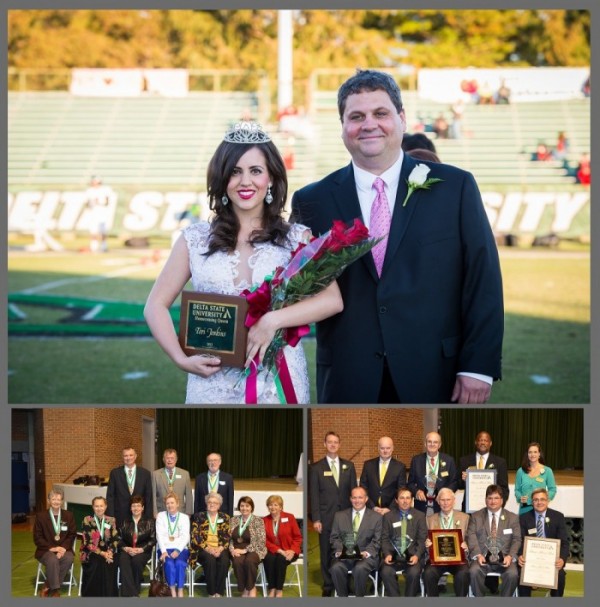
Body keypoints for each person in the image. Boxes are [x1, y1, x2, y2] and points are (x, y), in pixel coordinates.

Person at [291, 69, 503, 404]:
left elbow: (483, 278)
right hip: (349, 378)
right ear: (343, 126)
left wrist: (478, 367)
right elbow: (295, 286)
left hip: (436, 375)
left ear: (402, 119)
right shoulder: (311, 200)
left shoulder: (455, 187)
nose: (369, 124)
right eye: (356, 116)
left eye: (381, 113)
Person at [144, 121, 343, 404]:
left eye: (256, 171)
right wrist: (180, 359)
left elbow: (332, 300)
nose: (245, 181)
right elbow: (155, 305)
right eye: (235, 172)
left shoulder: (297, 238)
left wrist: (273, 320)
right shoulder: (195, 239)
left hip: (279, 381)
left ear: (271, 178)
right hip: (211, 382)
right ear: (222, 178)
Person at [308, 431, 357, 596]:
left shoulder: (348, 466)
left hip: (346, 518)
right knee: (326, 552)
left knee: (348, 551)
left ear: (340, 444)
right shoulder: (315, 468)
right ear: (324, 444)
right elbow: (313, 495)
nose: (333, 445)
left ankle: (347, 583)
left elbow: (353, 493)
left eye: (336, 442)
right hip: (326, 518)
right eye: (330, 442)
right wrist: (316, 518)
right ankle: (328, 585)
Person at [466, 484, 521, 597]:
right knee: (474, 571)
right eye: (490, 498)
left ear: (502, 500)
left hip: (505, 558)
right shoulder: (476, 517)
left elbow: (517, 539)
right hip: (482, 558)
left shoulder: (512, 518)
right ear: (486, 500)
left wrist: (510, 556)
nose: (493, 501)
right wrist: (478, 555)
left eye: (496, 498)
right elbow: (471, 536)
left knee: (512, 574)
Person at [330, 486, 382, 597]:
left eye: (360, 497)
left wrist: (366, 553)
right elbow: (334, 538)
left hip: (365, 558)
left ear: (366, 499)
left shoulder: (376, 517)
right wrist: (340, 551)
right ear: (350, 499)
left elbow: (377, 541)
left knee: (360, 568)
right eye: (354, 497)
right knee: (335, 568)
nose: (357, 501)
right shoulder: (339, 516)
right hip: (344, 556)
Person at [517, 488, 569, 597]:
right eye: (536, 500)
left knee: (560, 576)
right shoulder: (523, 518)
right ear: (532, 502)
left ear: (548, 500)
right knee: (521, 572)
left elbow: (564, 543)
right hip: (530, 561)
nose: (539, 502)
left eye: (542, 499)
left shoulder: (558, 517)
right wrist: (520, 556)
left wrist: (562, 559)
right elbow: (519, 541)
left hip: (551, 561)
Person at [379, 486, 427, 597]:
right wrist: (387, 554)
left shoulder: (420, 516)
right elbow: (384, 538)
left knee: (414, 573)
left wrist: (417, 555)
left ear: (412, 500)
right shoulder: (388, 516)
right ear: (396, 500)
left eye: (408, 498)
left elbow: (422, 539)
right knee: (386, 572)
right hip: (392, 557)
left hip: (412, 556)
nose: (405, 501)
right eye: (402, 498)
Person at [423, 488, 470, 597]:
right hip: (437, 560)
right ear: (438, 501)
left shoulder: (465, 518)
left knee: (463, 574)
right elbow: (425, 540)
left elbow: (470, 539)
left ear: (454, 501)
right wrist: (427, 545)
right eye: (442, 500)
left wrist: (466, 546)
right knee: (428, 573)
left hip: (458, 560)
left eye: (448, 500)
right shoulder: (429, 519)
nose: (445, 503)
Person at [33, 488, 77, 597]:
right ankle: (55, 590)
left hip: (64, 548)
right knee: (52, 559)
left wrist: (63, 549)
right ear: (48, 501)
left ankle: (47, 585)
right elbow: (37, 537)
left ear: (62, 501)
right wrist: (53, 548)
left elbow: (72, 535)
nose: (56, 502)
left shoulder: (68, 515)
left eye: (59, 499)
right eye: (53, 499)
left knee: (68, 558)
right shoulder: (41, 516)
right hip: (46, 550)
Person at [189, 491, 231, 598]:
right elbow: (195, 536)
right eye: (209, 502)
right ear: (206, 504)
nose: (212, 504)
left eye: (215, 503)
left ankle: (219, 592)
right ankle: (212, 592)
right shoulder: (199, 516)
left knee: (224, 560)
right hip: (202, 549)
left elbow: (227, 536)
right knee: (210, 560)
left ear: (219, 505)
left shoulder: (225, 517)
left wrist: (220, 549)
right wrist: (209, 549)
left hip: (220, 548)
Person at [408, 432, 458, 515]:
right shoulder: (416, 460)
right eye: (429, 442)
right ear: (425, 444)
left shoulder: (449, 460)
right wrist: (416, 491)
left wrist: (443, 494)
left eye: (435, 442)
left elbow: (454, 482)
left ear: (440, 445)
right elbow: (410, 483)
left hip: (441, 506)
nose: (432, 444)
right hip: (421, 506)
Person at [262, 494, 303, 597]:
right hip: (272, 550)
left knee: (281, 560)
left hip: (290, 550)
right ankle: (272, 588)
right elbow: (264, 540)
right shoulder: (264, 520)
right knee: (268, 558)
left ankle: (279, 589)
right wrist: (279, 550)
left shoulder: (289, 517)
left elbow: (297, 537)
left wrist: (292, 550)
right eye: (270, 505)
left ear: (281, 507)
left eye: (276, 505)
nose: (273, 507)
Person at [117, 494, 156, 597]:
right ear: (130, 508)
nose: (136, 508)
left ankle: (130, 592)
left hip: (143, 550)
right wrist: (125, 548)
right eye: (133, 506)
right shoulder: (124, 521)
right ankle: (133, 593)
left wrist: (141, 549)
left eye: (138, 506)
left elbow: (153, 540)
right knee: (123, 560)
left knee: (136, 561)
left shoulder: (150, 521)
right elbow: (118, 538)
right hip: (127, 548)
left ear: (142, 508)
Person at [79, 496, 119, 597]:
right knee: (97, 562)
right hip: (91, 551)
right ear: (93, 507)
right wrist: (102, 553)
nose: (99, 508)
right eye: (96, 506)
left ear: (105, 507)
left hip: (107, 551)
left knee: (110, 562)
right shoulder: (87, 520)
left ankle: (109, 596)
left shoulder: (111, 520)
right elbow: (87, 541)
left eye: (101, 506)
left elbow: (115, 538)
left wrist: (110, 552)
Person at [459, 430, 509, 508]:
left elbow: (504, 488)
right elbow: (459, 485)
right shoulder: (464, 461)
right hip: (470, 507)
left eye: (485, 440)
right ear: (476, 442)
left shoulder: (500, 462)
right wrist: (463, 480)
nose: (483, 443)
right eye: (480, 440)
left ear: (490, 443)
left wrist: (498, 505)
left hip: (492, 508)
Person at [229, 496, 267, 597]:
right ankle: (245, 588)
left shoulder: (258, 520)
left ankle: (250, 587)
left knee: (249, 561)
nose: (244, 508)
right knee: (237, 562)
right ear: (239, 507)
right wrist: (232, 550)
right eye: (242, 506)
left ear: (251, 507)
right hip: (237, 548)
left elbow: (261, 540)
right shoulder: (233, 520)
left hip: (255, 549)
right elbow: (229, 539)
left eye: (247, 506)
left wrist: (245, 550)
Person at [106, 446, 153, 528]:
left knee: (139, 539)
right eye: (125, 456)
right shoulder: (115, 473)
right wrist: (110, 515)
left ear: (135, 456)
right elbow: (110, 496)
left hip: (139, 515)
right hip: (120, 515)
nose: (128, 458)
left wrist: (148, 516)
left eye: (131, 455)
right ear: (122, 457)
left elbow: (148, 497)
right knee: (121, 539)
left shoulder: (145, 474)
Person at [359, 436, 407, 513]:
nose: (385, 451)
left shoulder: (400, 467)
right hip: (371, 509)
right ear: (378, 448)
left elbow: (401, 490)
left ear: (392, 448)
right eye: (382, 448)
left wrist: (390, 508)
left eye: (388, 448)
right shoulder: (368, 465)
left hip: (391, 510)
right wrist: (372, 507)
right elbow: (363, 487)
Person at [155, 492, 190, 598]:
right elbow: (159, 535)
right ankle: (172, 590)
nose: (170, 505)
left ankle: (180, 589)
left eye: (172, 503)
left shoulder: (184, 517)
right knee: (169, 564)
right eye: (167, 503)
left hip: (181, 549)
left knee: (180, 564)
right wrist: (164, 551)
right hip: (164, 548)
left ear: (177, 504)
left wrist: (178, 550)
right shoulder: (161, 516)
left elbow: (185, 536)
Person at [514, 442, 557, 515]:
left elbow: (552, 489)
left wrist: (544, 499)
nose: (532, 454)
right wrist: (520, 497)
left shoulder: (547, 471)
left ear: (539, 454)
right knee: (525, 526)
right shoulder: (520, 471)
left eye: (535, 452)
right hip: (525, 508)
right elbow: (517, 490)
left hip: (540, 507)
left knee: (540, 526)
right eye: (530, 452)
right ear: (527, 454)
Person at [152, 448, 193, 517]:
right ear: (163, 459)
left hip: (180, 512)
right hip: (162, 512)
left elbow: (189, 495)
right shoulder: (156, 474)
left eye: (172, 458)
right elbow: (153, 495)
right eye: (167, 458)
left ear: (176, 459)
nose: (169, 460)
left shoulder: (185, 474)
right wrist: (154, 512)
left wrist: (188, 512)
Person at [194, 452, 235, 516]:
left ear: (220, 462)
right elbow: (196, 500)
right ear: (207, 463)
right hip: (203, 514)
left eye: (215, 460)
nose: (213, 463)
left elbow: (230, 499)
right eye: (210, 460)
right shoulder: (199, 478)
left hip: (222, 513)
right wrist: (196, 515)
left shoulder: (228, 478)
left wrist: (230, 516)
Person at [85, 175, 113, 252]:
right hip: (93, 214)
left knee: (103, 232)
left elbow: (107, 202)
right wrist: (92, 203)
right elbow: (87, 203)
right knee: (93, 232)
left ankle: (104, 246)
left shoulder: (105, 190)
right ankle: (94, 247)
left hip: (102, 214)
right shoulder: (89, 191)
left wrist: (99, 202)